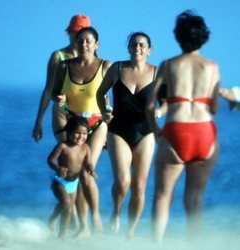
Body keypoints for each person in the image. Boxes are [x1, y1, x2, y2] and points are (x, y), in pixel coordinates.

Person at [146, 10, 220, 244]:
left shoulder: (167, 64)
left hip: (175, 131)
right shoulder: (212, 67)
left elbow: (149, 105)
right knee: (194, 200)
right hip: (204, 133)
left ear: (178, 36)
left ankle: (155, 246)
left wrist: (155, 130)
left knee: (162, 196)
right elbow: (215, 108)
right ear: (203, 37)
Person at [97, 32, 157, 238]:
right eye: (133, 45)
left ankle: (130, 232)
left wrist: (161, 111)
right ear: (128, 48)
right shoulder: (117, 68)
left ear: (149, 50)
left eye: (142, 45)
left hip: (145, 132)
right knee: (122, 182)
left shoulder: (157, 73)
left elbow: (166, 103)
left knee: (139, 186)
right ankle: (116, 211)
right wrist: (104, 110)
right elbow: (100, 92)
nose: (137, 48)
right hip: (118, 130)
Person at [52, 27, 111, 237]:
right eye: (80, 40)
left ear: (97, 44)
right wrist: (58, 99)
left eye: (88, 41)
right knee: (74, 174)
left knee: (87, 172)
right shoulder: (64, 66)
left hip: (96, 124)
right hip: (74, 124)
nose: (83, 44)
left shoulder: (106, 66)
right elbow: (54, 93)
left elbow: (115, 96)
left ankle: (95, 218)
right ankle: (82, 226)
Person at [32, 14, 91, 143]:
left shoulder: (94, 60)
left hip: (88, 113)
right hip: (63, 112)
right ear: (69, 32)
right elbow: (48, 90)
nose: (78, 36)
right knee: (68, 154)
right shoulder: (58, 57)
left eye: (82, 32)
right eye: (75, 32)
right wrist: (38, 122)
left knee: (85, 158)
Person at [47, 116, 96, 238]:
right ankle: (61, 236)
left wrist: (91, 169)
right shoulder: (63, 146)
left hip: (73, 184)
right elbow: (50, 159)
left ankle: (54, 221)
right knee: (67, 206)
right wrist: (58, 168)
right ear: (69, 132)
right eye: (77, 133)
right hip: (60, 182)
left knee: (65, 205)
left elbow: (88, 162)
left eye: (84, 133)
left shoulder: (85, 148)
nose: (81, 136)